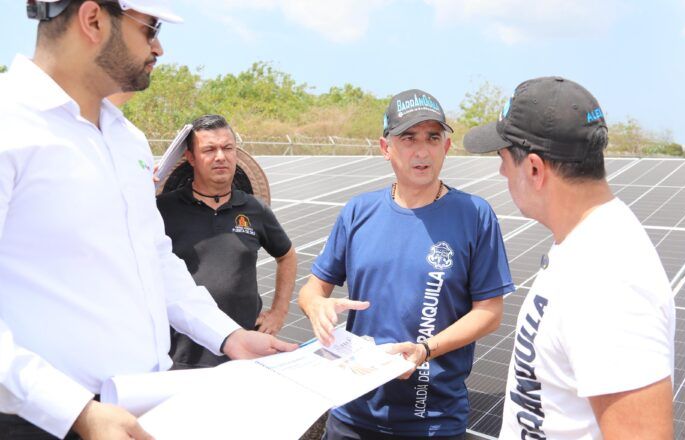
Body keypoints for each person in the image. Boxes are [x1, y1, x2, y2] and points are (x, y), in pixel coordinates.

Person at [0, 2, 295, 439]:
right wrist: (76, 411)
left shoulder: (127, 139)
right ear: (93, 19)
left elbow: (155, 259)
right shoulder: (10, 125)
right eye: (150, 29)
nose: (158, 48)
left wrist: (229, 336)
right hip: (43, 422)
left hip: (141, 407)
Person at [463, 76, 675, 439]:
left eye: (503, 160)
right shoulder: (585, 244)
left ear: (533, 168)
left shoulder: (608, 283)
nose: (501, 173)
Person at [298, 89, 515, 439]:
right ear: (386, 148)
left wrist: (425, 351)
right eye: (408, 138)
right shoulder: (358, 211)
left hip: (433, 420)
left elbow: (490, 312)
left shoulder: (474, 214)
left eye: (432, 138)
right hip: (352, 412)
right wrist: (316, 307)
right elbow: (312, 290)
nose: (421, 150)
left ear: (446, 147)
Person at [156, 114, 297, 369]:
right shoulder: (163, 210)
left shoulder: (254, 209)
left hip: (244, 350)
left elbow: (286, 255)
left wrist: (278, 312)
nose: (220, 156)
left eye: (227, 148)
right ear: (190, 157)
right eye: (209, 149)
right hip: (181, 356)